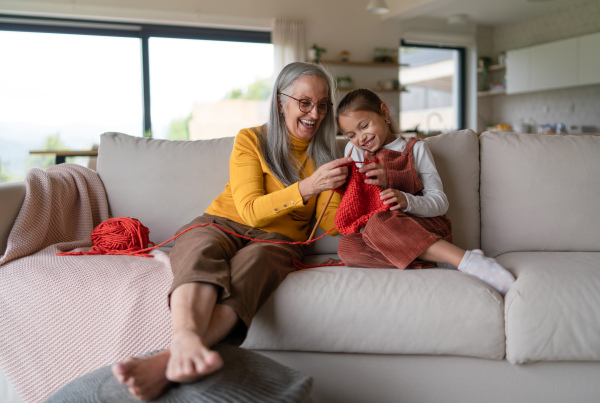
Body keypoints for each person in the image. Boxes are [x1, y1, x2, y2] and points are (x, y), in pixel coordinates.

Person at [111, 62, 351, 401]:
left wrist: (359, 189)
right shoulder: (251, 139)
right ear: (281, 102)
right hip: (222, 222)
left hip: (279, 241)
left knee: (255, 263)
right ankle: (184, 341)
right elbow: (251, 209)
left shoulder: (325, 155)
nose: (316, 112)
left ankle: (169, 359)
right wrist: (308, 187)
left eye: (323, 104)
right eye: (305, 102)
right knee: (198, 246)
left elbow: (332, 225)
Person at [335, 88, 515, 295]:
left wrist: (404, 198)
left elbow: (439, 202)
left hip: (425, 226)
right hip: (387, 236)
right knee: (347, 248)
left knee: (378, 224)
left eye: (364, 126)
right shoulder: (357, 152)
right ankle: (441, 260)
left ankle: (466, 260)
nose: (360, 137)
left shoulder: (414, 149)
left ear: (384, 112)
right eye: (351, 135)